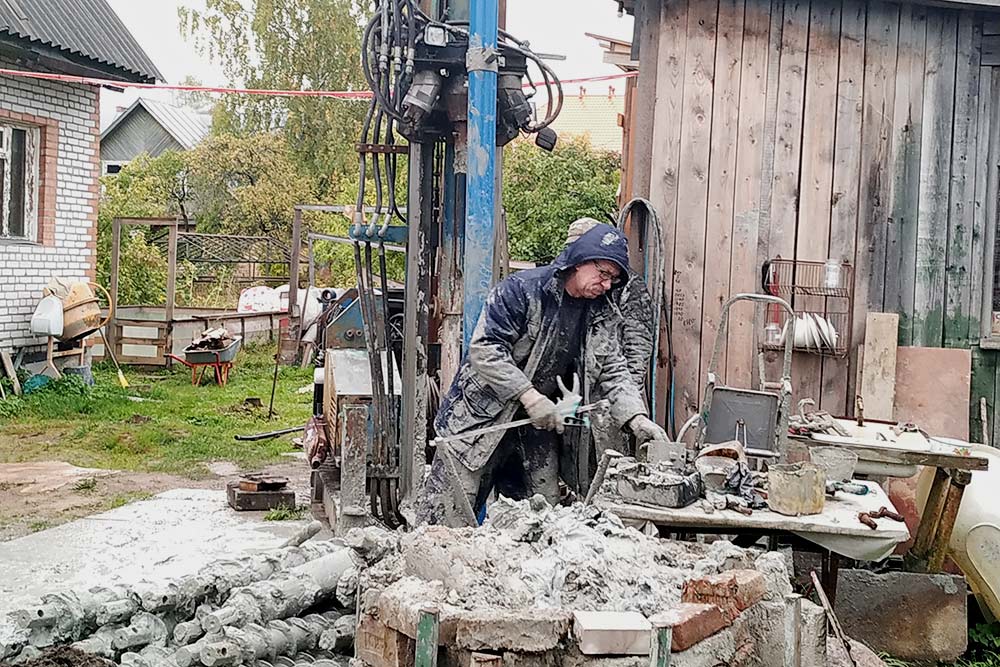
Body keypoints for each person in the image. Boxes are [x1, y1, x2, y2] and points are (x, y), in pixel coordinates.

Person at [418, 222, 668, 526]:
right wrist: (529, 395)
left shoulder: (602, 312)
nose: (606, 285)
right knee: (445, 521)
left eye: (613, 280)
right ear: (579, 260)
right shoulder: (521, 291)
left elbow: (614, 369)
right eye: (603, 274)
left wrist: (636, 418)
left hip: (537, 428)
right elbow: (485, 348)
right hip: (479, 423)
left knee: (539, 523)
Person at [565, 218, 655, 456]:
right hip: (576, 395)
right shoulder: (574, 285)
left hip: (611, 396)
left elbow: (638, 347)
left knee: (610, 466)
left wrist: (625, 405)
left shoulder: (629, 288)